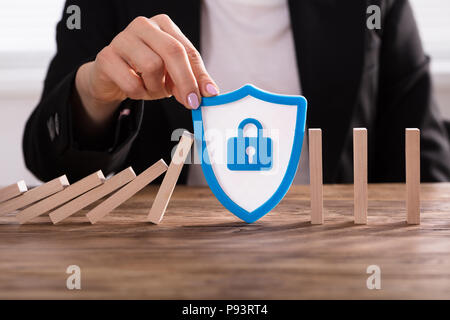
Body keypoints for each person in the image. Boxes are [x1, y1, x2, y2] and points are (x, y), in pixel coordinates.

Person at [23, 0, 450, 185]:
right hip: (161, 262)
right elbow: (48, 157)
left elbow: (426, 159)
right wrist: (96, 96)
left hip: (333, 260)